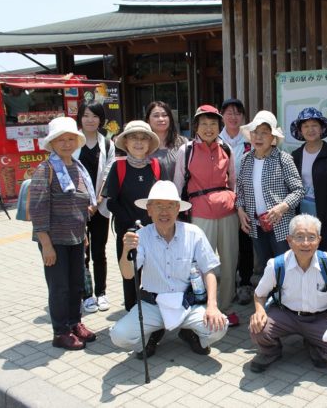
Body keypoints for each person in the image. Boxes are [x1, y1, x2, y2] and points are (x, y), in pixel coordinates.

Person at [110, 181, 228, 358]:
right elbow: (128, 274)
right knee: (118, 335)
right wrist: (126, 250)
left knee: (220, 326)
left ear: (178, 209)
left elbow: (209, 270)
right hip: (152, 305)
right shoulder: (141, 236)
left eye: (170, 206)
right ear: (149, 210)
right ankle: (151, 336)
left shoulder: (194, 233)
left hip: (187, 304)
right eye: (158, 205)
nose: (164, 212)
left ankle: (190, 332)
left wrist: (212, 305)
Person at [248, 214, 327, 372]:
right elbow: (259, 294)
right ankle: (271, 351)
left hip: (318, 318)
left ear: (319, 240)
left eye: (311, 237)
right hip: (285, 315)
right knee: (257, 328)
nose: (306, 243)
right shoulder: (277, 265)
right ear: (289, 240)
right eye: (299, 237)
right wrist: (259, 310)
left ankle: (314, 344)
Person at [29, 117, 97, 350]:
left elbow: (80, 205)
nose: (67, 144)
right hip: (54, 240)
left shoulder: (77, 168)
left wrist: (84, 234)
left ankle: (74, 323)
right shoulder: (45, 169)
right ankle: (60, 332)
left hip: (76, 237)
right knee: (59, 286)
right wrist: (45, 244)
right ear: (52, 144)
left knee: (76, 283)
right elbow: (37, 209)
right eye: (61, 140)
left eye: (71, 139)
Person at [174, 104, 240, 326]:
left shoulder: (227, 149)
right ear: (196, 127)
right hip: (200, 212)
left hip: (227, 211)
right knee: (203, 263)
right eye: (204, 124)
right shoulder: (187, 150)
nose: (209, 128)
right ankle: (202, 306)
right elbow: (178, 183)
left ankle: (225, 306)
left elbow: (233, 181)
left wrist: (234, 202)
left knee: (230, 261)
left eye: (213, 124)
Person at [235, 110, 305, 288]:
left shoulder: (283, 159)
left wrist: (282, 207)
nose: (258, 137)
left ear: (273, 137)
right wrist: (240, 210)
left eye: (264, 133)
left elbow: (298, 190)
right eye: (255, 133)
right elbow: (240, 190)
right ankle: (272, 300)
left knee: (285, 265)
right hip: (256, 225)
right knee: (267, 266)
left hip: (280, 224)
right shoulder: (245, 160)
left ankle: (289, 301)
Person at [105, 120, 160, 312]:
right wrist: (131, 223)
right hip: (127, 231)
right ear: (126, 143)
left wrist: (151, 222)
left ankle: (153, 308)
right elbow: (111, 201)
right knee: (130, 271)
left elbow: (163, 199)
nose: (138, 142)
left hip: (153, 229)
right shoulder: (118, 167)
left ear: (149, 143)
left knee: (153, 269)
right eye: (133, 138)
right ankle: (131, 309)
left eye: (143, 138)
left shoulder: (156, 166)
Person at [75, 102, 116, 313]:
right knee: (82, 252)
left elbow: (109, 174)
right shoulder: (72, 142)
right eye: (86, 115)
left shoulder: (107, 144)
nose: (90, 120)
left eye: (94, 116)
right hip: (77, 208)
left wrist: (97, 201)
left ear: (101, 119)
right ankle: (86, 295)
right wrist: (83, 204)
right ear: (80, 118)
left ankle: (101, 293)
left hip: (99, 208)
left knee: (99, 252)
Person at [290, 107, 327, 254]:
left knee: (325, 252)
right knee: (304, 250)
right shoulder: (296, 155)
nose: (310, 129)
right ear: (300, 131)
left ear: (321, 129)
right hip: (302, 212)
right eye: (305, 126)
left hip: (326, 214)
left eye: (314, 125)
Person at [219, 98, 254, 305]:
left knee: (245, 242)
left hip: (247, 200)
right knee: (226, 244)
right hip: (223, 200)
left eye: (238, 113)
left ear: (243, 116)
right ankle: (228, 283)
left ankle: (245, 283)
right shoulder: (215, 139)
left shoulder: (249, 139)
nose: (233, 117)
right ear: (222, 115)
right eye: (229, 113)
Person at [145, 101, 188, 180]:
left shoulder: (182, 142)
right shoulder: (143, 145)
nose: (161, 119)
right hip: (151, 191)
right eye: (156, 116)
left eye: (165, 115)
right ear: (148, 120)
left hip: (179, 191)